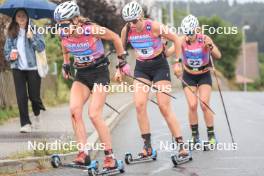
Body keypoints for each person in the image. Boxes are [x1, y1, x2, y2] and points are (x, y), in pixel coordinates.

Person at [53, 1, 128, 169]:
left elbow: (115, 37)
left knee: (94, 114)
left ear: (75, 19)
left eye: (64, 24)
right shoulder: (63, 33)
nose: (61, 28)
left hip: (99, 73)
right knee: (74, 111)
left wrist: (121, 63)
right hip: (82, 75)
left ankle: (110, 157)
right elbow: (64, 45)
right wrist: (66, 63)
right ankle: (83, 154)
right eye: (59, 24)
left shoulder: (91, 29)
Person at [118, 1, 189, 158]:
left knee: (164, 106)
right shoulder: (127, 30)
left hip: (159, 67)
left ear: (141, 16)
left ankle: (181, 145)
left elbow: (177, 39)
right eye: (129, 21)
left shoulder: (154, 26)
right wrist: (120, 66)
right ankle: (147, 146)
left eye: (135, 20)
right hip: (142, 68)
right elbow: (121, 50)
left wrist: (178, 63)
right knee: (139, 105)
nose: (133, 24)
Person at [166, 15, 221, 145]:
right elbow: (168, 53)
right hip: (189, 75)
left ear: (196, 30)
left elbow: (218, 55)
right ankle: (195, 136)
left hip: (204, 75)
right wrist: (164, 42)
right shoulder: (181, 41)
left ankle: (211, 135)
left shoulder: (205, 39)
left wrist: (211, 47)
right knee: (192, 105)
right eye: (186, 33)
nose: (188, 35)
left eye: (190, 32)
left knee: (204, 105)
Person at [4, 9, 46, 133]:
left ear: (28, 17)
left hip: (33, 68)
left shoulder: (35, 29)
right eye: (19, 16)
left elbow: (41, 47)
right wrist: (10, 56)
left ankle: (37, 114)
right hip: (17, 68)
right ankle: (25, 123)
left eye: (23, 16)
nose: (21, 18)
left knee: (34, 96)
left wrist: (32, 38)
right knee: (21, 97)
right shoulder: (11, 32)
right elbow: (7, 51)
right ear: (15, 18)